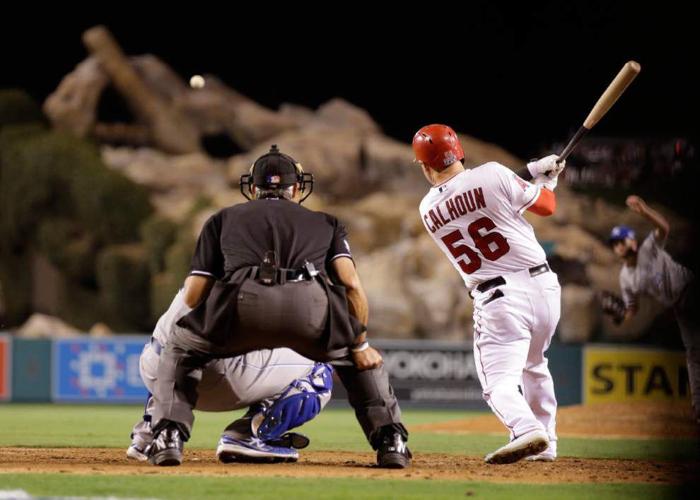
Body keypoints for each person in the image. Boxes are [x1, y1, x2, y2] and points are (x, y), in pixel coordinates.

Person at [147, 145, 410, 468]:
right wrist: (359, 343)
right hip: (309, 306)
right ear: (297, 188)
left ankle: (167, 437)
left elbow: (193, 294)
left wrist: (209, 326)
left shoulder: (222, 218)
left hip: (241, 304)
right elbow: (351, 284)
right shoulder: (326, 222)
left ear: (253, 188)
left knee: (180, 348)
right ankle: (390, 441)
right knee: (358, 360)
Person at [412, 124, 564, 464]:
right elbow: (546, 206)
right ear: (459, 151)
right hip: (544, 289)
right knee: (536, 365)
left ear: (425, 165)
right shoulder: (494, 173)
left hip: (498, 297)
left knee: (498, 384)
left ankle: (526, 429)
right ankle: (547, 440)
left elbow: (473, 190)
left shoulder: (427, 210)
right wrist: (545, 180)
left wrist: (533, 171)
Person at [127, 288, 332, 463]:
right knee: (319, 368)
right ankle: (248, 434)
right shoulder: (269, 259)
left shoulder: (211, 250)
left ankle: (150, 432)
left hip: (155, 368)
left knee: (169, 342)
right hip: (216, 376)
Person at [605, 194, 698, 421]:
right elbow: (631, 308)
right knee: (694, 355)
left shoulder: (649, 249)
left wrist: (644, 210)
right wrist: (620, 317)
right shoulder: (626, 278)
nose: (620, 245)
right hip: (679, 309)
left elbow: (663, 228)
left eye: (623, 239)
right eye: (616, 243)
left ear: (633, 241)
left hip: (693, 291)